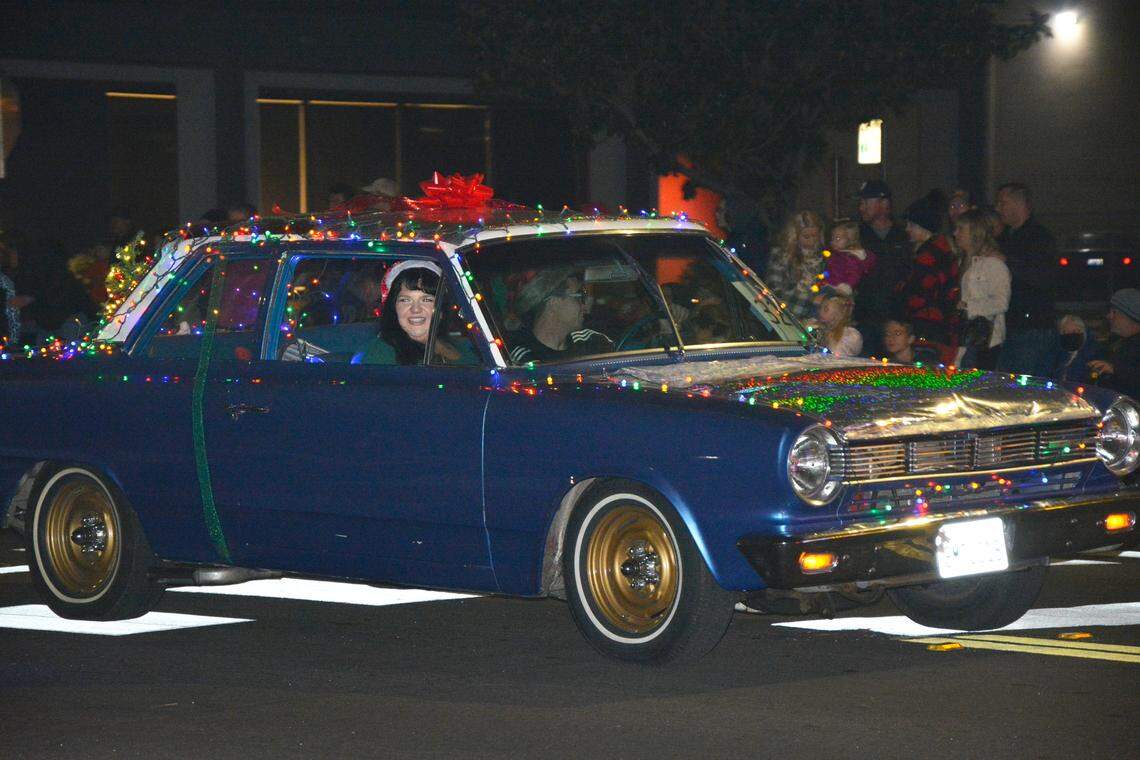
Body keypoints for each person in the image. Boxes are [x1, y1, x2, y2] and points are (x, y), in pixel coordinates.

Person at [995, 182, 1057, 376]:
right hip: (1011, 325)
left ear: (1018, 204)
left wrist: (1007, 262)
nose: (999, 209)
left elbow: (1042, 277)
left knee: (1025, 385)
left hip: (1032, 328)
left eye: (1002, 203)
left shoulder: (1039, 238)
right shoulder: (1006, 238)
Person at [507, 265, 613, 364]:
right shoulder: (522, 360)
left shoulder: (594, 342)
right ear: (554, 302)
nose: (584, 306)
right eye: (579, 297)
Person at [894, 192, 960, 348]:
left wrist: (902, 297)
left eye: (911, 225)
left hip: (929, 321)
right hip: (937, 320)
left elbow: (920, 288)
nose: (907, 229)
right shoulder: (939, 249)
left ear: (923, 226)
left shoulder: (929, 255)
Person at [853, 180, 910, 355]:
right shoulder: (856, 235)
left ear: (883, 203)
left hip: (895, 319)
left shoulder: (903, 234)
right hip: (865, 319)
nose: (861, 208)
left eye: (865, 202)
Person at [359, 261, 454, 365]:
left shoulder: (469, 347)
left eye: (426, 300)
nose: (416, 309)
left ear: (441, 308)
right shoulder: (378, 356)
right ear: (394, 307)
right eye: (405, 300)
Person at [954, 209, 1010, 369]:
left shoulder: (993, 264)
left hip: (985, 340)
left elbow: (1001, 302)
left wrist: (968, 306)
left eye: (961, 229)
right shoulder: (963, 262)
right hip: (965, 337)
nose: (956, 233)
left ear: (975, 233)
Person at [764, 210, 826, 321]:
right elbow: (774, 290)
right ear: (795, 235)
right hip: (783, 317)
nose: (812, 241)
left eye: (815, 236)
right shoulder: (781, 255)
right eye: (806, 237)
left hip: (812, 318)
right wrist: (810, 298)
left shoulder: (822, 257)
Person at [1088, 289, 1140, 399]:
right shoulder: (1115, 343)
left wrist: (1116, 370)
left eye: (1114, 312)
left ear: (1129, 316)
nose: (1109, 316)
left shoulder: (1133, 346)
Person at [716, 194, 769, 276]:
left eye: (720, 210)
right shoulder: (734, 238)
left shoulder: (750, 240)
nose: (716, 214)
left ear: (731, 213)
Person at [822, 219, 875, 297]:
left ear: (850, 240)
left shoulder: (851, 258)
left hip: (840, 291)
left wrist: (846, 287)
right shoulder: (837, 255)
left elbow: (854, 275)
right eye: (832, 239)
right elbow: (830, 270)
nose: (832, 242)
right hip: (829, 286)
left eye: (838, 239)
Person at [1051, 314, 1100, 384]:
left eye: (1075, 331)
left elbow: (1092, 378)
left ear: (1083, 333)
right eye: (1065, 332)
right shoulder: (1055, 354)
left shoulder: (1094, 354)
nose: (1070, 335)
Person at [812, 292, 862, 357]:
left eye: (826, 309)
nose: (820, 312)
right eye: (820, 308)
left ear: (839, 314)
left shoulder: (850, 335)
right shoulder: (821, 328)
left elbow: (836, 358)